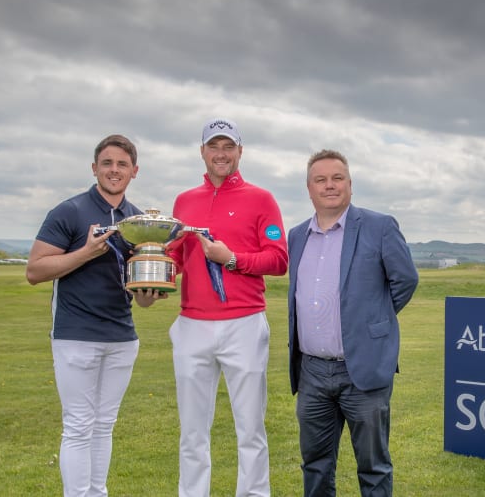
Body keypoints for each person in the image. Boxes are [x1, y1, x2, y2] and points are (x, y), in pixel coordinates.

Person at [26, 134, 167, 497]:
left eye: (122, 164)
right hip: (75, 335)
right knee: (78, 425)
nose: (114, 170)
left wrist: (149, 294)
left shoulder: (137, 221)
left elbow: (138, 295)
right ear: (94, 168)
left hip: (122, 337)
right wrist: (86, 252)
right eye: (107, 163)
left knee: (104, 425)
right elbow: (35, 271)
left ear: (134, 171)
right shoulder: (69, 211)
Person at [166, 119, 289, 497]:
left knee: (250, 429)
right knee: (192, 432)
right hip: (192, 324)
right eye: (214, 146)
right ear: (202, 151)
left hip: (245, 324)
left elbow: (279, 259)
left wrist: (233, 259)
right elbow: (178, 259)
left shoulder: (262, 199)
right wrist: (154, 276)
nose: (221, 154)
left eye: (228, 146)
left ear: (240, 151)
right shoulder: (184, 202)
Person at [287, 149, 420, 497]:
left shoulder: (379, 226)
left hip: (363, 369)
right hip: (313, 373)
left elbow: (405, 280)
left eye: (337, 178)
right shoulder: (297, 235)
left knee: (373, 467)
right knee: (315, 464)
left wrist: (372, 321)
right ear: (309, 187)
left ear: (349, 184)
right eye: (321, 179)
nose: (329, 185)